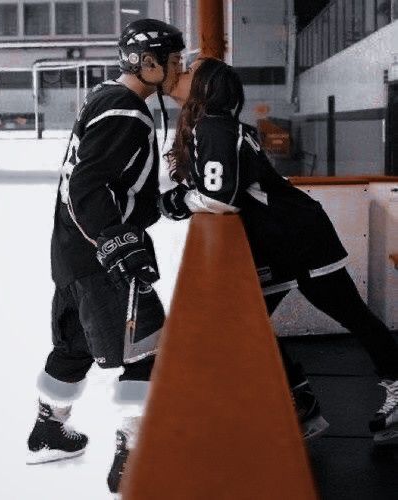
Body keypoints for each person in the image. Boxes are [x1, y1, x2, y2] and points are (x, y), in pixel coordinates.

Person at [160, 57, 398, 445]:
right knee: (241, 325)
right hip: (277, 244)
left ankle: (368, 391)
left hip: (300, 238)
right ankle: (299, 401)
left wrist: (174, 203)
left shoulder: (214, 126)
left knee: (351, 314)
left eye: (189, 71)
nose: (181, 74)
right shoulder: (216, 127)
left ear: (205, 86)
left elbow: (219, 196)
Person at [26, 18, 185, 493]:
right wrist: (116, 240)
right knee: (149, 349)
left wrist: (163, 203)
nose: (179, 69)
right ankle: (135, 454)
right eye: (173, 61)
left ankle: (50, 428)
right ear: (149, 63)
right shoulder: (125, 110)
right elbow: (88, 185)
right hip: (101, 256)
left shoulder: (106, 98)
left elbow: (108, 182)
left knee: (75, 344)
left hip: (73, 253)